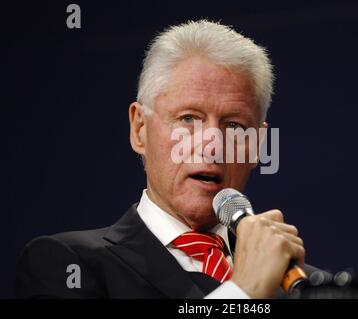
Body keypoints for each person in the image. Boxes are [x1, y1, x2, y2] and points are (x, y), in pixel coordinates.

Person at [16, 20, 308, 299]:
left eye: (234, 126)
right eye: (189, 118)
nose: (212, 145)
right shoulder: (69, 264)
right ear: (139, 129)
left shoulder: (300, 287)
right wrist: (244, 290)